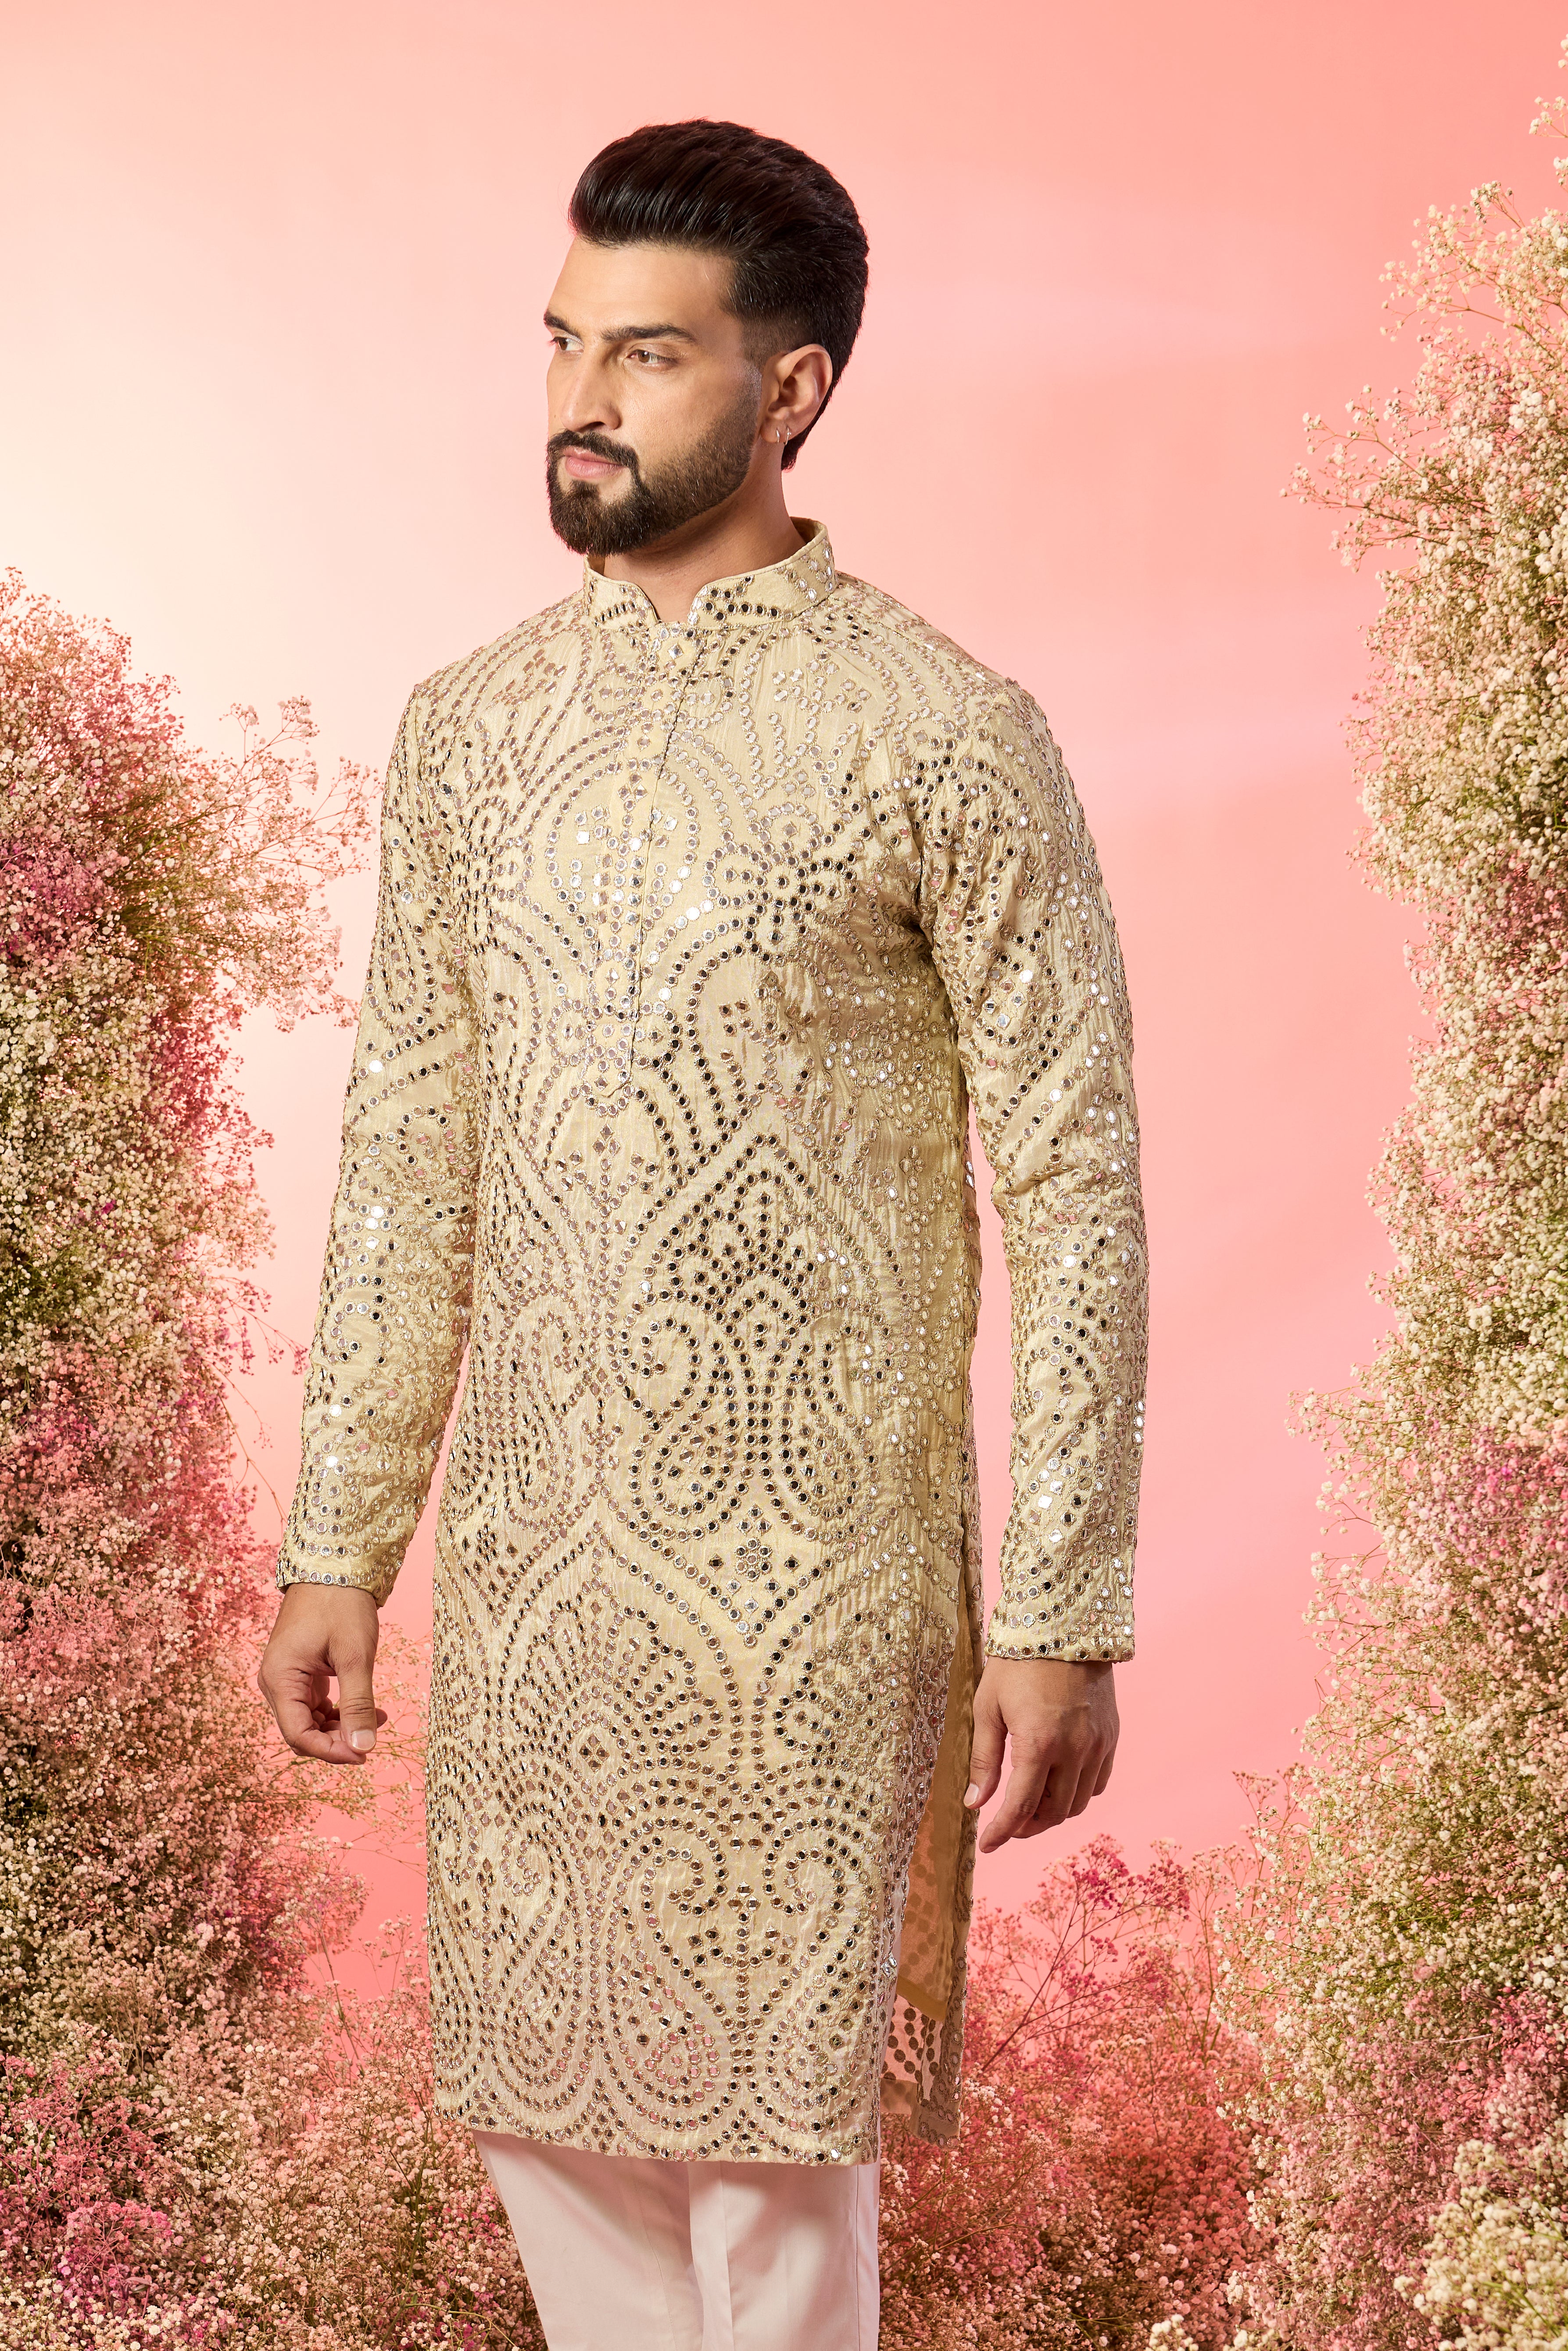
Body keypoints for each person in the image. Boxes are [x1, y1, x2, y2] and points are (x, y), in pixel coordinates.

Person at [259, 118, 1148, 2351]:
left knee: (778, 2177)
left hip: (821, 1590)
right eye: (565, 343)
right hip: (543, 1586)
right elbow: (411, 1152)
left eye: (646, 355)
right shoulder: (471, 735)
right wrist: (340, 1536)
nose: (581, 397)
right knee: (549, 2131)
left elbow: (1076, 1177)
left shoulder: (945, 732)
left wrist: (1065, 1601)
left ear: (791, 387)